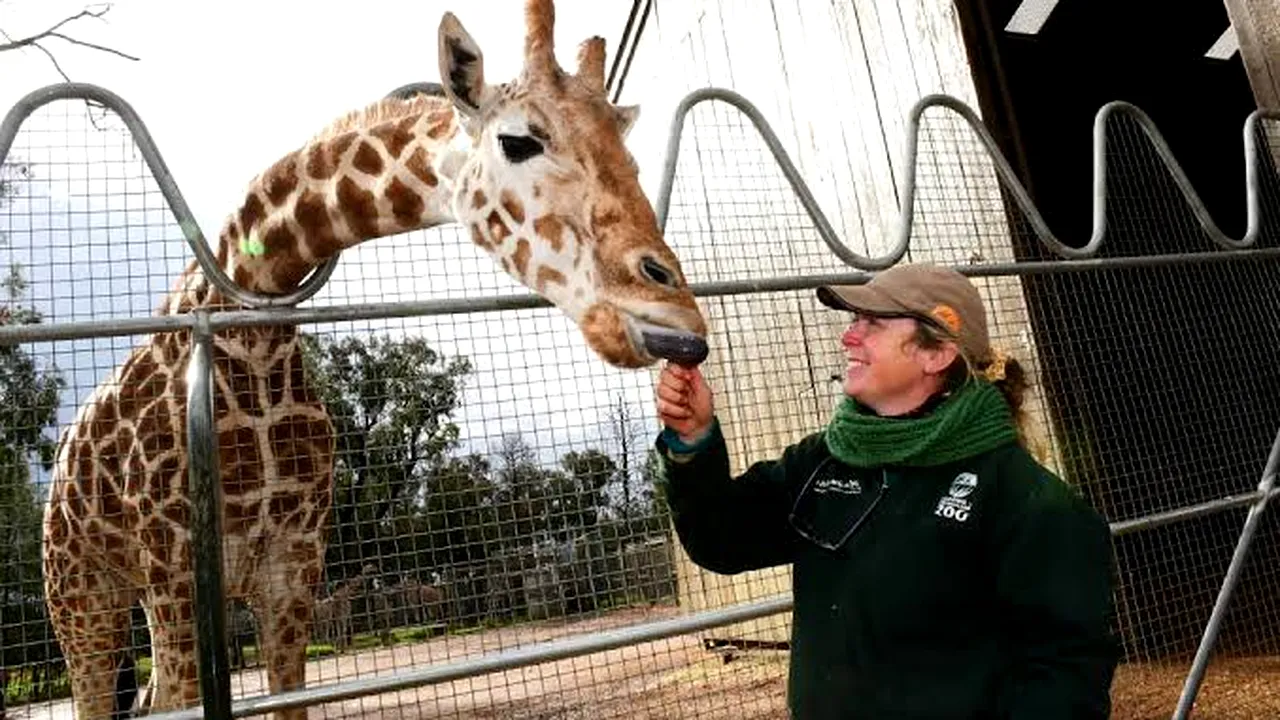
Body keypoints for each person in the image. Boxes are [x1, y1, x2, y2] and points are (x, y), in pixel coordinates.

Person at [653, 263, 1119, 719]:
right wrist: (693, 440)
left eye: (872, 323)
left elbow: (1063, 681)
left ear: (935, 354)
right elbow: (721, 540)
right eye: (855, 320)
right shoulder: (823, 462)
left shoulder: (1029, 504)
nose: (848, 336)